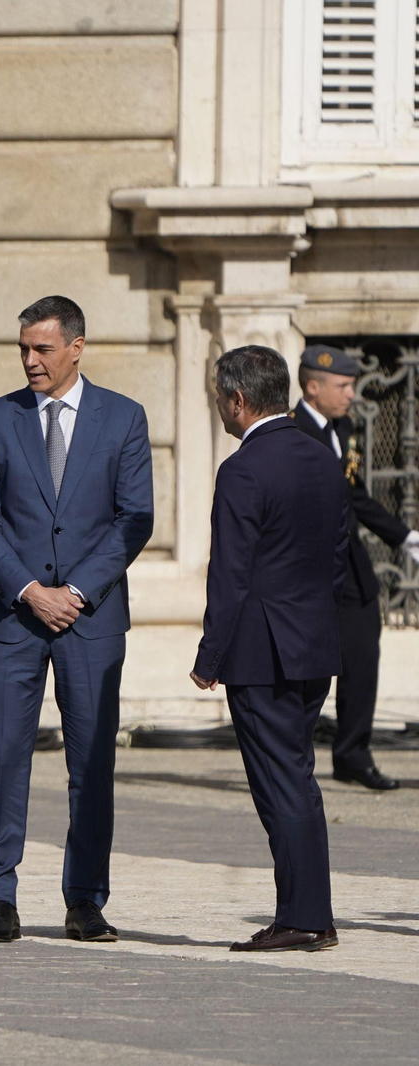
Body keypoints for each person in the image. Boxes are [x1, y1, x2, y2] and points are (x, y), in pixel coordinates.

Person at [0, 295, 153, 945]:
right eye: (23, 349)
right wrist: (29, 589)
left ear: (77, 346)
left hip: (90, 619)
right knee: (5, 755)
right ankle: (0, 896)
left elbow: (135, 518)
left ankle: (85, 899)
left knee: (91, 761)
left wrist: (76, 589)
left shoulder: (123, 418)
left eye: (42, 348)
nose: (31, 361)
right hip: (14, 618)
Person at [193, 345, 347, 952]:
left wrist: (210, 657)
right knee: (297, 779)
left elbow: (228, 574)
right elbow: (336, 559)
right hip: (313, 645)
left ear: (237, 398)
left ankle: (306, 917)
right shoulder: (320, 456)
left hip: (261, 652)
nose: (219, 407)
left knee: (281, 785)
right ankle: (305, 912)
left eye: (219, 396)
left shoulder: (242, 468)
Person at [291, 344, 418, 791]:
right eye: (343, 386)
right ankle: (292, 761)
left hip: (353, 568)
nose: (351, 394)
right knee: (305, 671)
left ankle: (352, 754)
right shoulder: (293, 432)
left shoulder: (341, 427)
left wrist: (405, 537)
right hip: (311, 574)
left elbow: (355, 495)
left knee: (363, 660)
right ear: (313, 386)